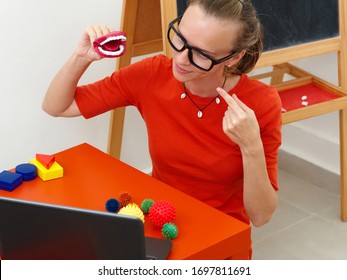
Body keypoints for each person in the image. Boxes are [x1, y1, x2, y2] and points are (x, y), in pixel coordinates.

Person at [43, 0, 281, 241]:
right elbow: (56, 107)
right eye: (180, 39)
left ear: (234, 57)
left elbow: (261, 216)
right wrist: (81, 57)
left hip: (220, 235)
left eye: (201, 54)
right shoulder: (152, 75)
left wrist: (251, 146)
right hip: (160, 222)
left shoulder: (260, 103)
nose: (181, 59)